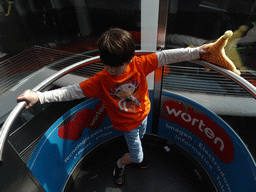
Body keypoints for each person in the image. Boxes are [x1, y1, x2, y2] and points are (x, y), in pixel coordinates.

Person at [17, 28, 207, 185]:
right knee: (138, 155)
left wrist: (198, 52)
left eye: (117, 66)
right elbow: (70, 91)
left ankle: (133, 156)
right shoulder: (100, 81)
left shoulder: (140, 64)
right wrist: (40, 97)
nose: (112, 71)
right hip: (127, 126)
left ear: (130, 58)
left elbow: (166, 56)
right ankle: (119, 165)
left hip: (143, 115)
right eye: (108, 66)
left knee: (140, 138)